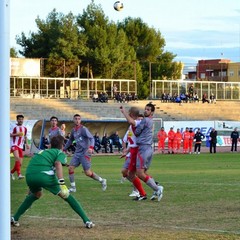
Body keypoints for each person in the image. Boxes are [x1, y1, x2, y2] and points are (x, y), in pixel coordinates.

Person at [11, 135, 95, 229]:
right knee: (67, 196)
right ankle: (87, 220)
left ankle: (15, 218)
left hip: (29, 175)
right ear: (62, 146)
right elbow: (57, 163)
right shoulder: (60, 152)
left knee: (37, 194)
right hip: (44, 175)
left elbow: (41, 161)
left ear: (51, 144)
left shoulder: (43, 151)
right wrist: (62, 183)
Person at [120, 103, 163, 201]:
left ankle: (156, 188)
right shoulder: (144, 121)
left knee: (138, 173)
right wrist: (127, 150)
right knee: (137, 173)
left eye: (148, 110)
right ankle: (149, 190)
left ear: (152, 112)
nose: (145, 111)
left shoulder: (143, 121)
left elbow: (135, 128)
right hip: (141, 149)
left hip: (142, 149)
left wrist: (124, 112)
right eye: (145, 109)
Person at [63, 114, 107, 193]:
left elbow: (91, 138)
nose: (77, 120)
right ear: (73, 120)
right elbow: (70, 140)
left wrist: (91, 147)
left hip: (85, 153)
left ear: (80, 120)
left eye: (79, 119)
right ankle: (73, 187)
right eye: (76, 119)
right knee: (70, 168)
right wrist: (64, 149)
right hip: (77, 152)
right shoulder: (73, 130)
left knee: (87, 173)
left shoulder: (83, 129)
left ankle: (102, 180)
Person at [120, 110, 146, 199]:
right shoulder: (130, 129)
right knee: (124, 171)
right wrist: (126, 151)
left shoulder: (140, 130)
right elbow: (128, 142)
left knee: (134, 173)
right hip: (131, 152)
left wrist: (124, 111)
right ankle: (152, 186)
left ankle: (138, 191)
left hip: (137, 153)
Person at [10, 114, 29, 180]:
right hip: (14, 144)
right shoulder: (13, 127)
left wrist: (27, 144)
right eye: (19, 119)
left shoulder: (25, 128)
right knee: (17, 158)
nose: (20, 120)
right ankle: (19, 174)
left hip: (20, 146)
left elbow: (25, 136)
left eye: (22, 119)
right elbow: (9, 134)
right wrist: (17, 134)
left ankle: (11, 172)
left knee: (20, 163)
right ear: (17, 120)